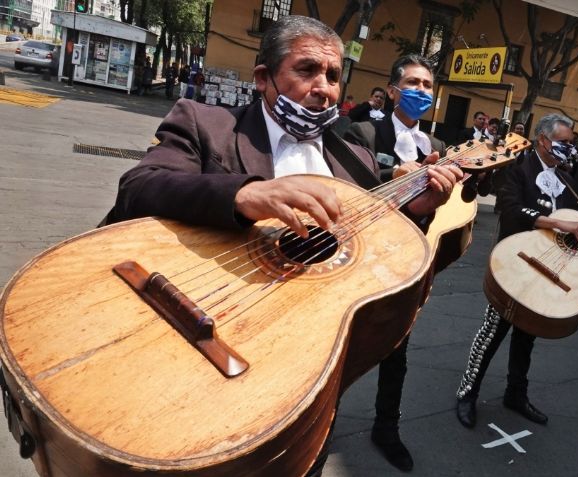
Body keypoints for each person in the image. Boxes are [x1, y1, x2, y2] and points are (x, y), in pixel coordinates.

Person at [101, 15, 461, 475]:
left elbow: (378, 243)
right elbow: (139, 187)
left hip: (303, 362)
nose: (324, 88)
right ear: (263, 77)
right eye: (306, 70)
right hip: (201, 326)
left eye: (333, 76)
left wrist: (417, 208)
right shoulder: (204, 122)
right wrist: (244, 193)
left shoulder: (356, 159)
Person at [454, 114, 578, 429]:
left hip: (549, 265)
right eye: (564, 142)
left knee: (527, 334)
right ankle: (467, 392)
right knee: (492, 331)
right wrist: (554, 222)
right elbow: (510, 207)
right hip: (516, 261)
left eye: (571, 143)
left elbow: (575, 224)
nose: (569, 148)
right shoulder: (517, 166)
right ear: (543, 140)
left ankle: (516, 394)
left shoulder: (567, 180)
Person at [344, 53, 447, 472]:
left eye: (427, 85)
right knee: (341, 348)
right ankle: (317, 422)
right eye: (414, 83)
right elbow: (349, 187)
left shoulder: (438, 148)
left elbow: (443, 207)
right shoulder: (364, 132)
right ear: (392, 91)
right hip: (360, 258)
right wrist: (395, 174)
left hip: (409, 262)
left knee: (397, 351)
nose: (422, 91)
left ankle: (387, 427)